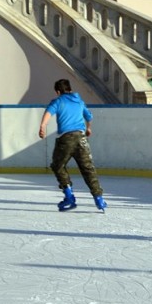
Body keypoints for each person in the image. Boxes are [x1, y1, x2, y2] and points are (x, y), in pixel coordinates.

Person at [38, 79, 107, 212]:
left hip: (66, 139)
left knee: (57, 166)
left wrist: (42, 126)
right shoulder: (79, 101)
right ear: (70, 89)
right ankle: (99, 199)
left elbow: (48, 113)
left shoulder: (58, 101)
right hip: (82, 138)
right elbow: (89, 117)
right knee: (88, 169)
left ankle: (69, 195)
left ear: (58, 92)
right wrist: (88, 128)